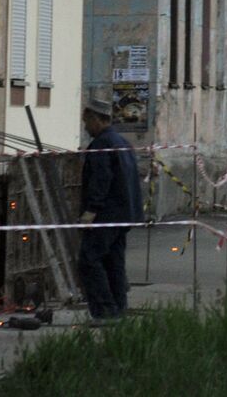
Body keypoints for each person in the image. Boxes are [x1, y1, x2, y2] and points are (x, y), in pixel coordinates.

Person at [78, 98, 143, 323]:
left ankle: (104, 310)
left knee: (89, 259)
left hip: (107, 214)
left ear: (97, 119)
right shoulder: (122, 142)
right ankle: (118, 307)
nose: (86, 127)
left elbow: (101, 180)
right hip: (125, 214)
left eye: (87, 121)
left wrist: (91, 211)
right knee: (114, 260)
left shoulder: (102, 145)